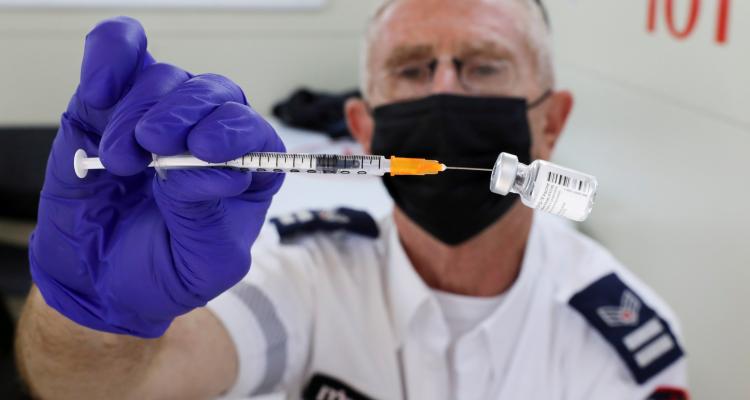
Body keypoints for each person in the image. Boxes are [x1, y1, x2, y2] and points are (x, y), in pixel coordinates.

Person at [15, 1, 689, 399]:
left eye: (483, 65)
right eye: (412, 68)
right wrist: (93, 314)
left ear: (552, 121)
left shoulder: (618, 337)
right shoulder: (306, 274)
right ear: (362, 129)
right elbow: (106, 390)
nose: (444, 91)